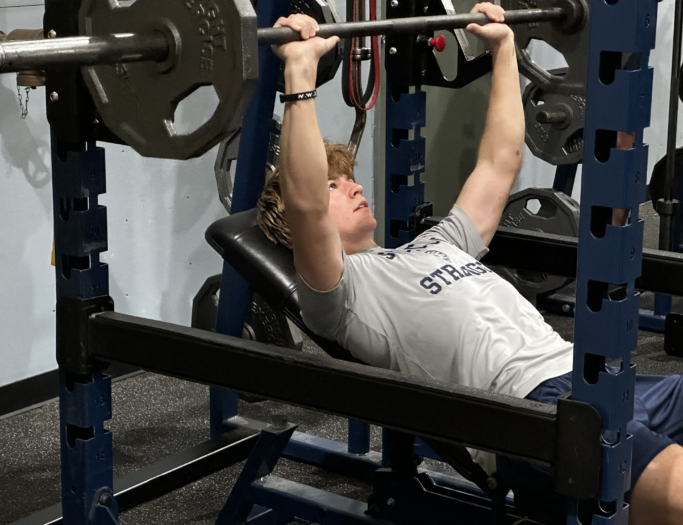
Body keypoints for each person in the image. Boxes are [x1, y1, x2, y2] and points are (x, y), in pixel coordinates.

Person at [257, 5, 683, 524]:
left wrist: (504, 49)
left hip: (587, 376)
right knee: (671, 477)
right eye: (334, 187)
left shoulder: (437, 244)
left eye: (346, 178)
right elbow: (304, 205)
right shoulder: (339, 294)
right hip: (529, 412)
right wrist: (300, 78)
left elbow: (499, 160)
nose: (353, 185)